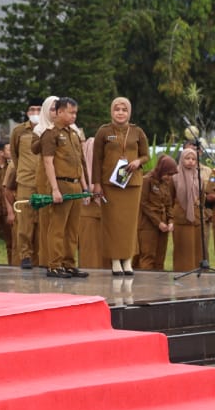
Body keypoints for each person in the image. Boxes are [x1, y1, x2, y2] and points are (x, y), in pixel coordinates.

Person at [90, 97, 149, 276]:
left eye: (124, 109)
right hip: (110, 184)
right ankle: (116, 260)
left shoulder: (138, 132)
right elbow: (97, 160)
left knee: (130, 224)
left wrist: (138, 161)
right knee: (113, 223)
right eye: (117, 109)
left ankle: (128, 260)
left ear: (129, 112)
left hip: (132, 184)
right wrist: (97, 184)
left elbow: (146, 155)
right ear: (112, 111)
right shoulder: (104, 131)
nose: (120, 112)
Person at [38, 96, 90, 278]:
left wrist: (85, 188)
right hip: (61, 184)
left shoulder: (73, 134)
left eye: (75, 113)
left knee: (72, 228)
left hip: (75, 184)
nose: (74, 116)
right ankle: (54, 264)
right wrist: (54, 189)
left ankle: (69, 263)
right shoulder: (50, 134)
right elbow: (48, 162)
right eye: (71, 112)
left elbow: (80, 163)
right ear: (59, 112)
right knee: (58, 227)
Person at [4, 99, 45, 269]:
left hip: (45, 183)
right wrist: (23, 171)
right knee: (25, 223)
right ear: (27, 112)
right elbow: (14, 154)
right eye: (32, 109)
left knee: (44, 223)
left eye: (38, 109)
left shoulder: (49, 130)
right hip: (26, 182)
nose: (35, 112)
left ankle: (43, 257)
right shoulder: (19, 131)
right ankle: (25, 255)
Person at [136, 155, 176, 271]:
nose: (169, 177)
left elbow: (169, 205)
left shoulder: (165, 183)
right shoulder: (146, 181)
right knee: (148, 257)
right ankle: (145, 286)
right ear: (161, 169)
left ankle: (158, 287)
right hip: (148, 225)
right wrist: (158, 223)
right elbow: (144, 204)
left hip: (163, 226)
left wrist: (171, 221)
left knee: (160, 258)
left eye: (171, 175)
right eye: (168, 174)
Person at [172, 147, 205, 273]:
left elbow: (202, 199)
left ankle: (196, 276)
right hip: (181, 219)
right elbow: (170, 199)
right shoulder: (174, 178)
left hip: (196, 220)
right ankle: (180, 274)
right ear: (181, 159)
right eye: (187, 158)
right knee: (182, 251)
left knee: (196, 251)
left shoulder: (200, 179)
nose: (191, 161)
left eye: (193, 159)